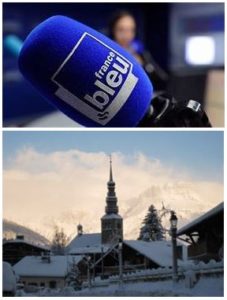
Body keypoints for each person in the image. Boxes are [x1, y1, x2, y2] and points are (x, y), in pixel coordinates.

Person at [108, 10, 169, 90]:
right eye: (121, 30)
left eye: (131, 30)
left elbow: (162, 79)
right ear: (113, 31)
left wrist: (145, 65)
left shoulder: (141, 53)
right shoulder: (108, 56)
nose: (127, 35)